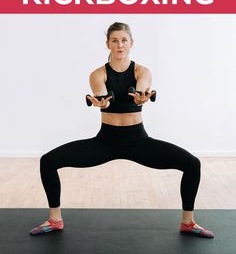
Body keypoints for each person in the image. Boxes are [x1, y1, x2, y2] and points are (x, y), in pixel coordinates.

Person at [30, 22, 214, 238]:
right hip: (105, 142)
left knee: (192, 164)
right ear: (107, 43)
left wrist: (142, 95)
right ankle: (55, 219)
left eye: (124, 40)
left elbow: (143, 86)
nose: (120, 45)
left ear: (131, 43)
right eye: (114, 40)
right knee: (48, 161)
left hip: (138, 142)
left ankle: (188, 222)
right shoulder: (98, 74)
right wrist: (102, 104)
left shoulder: (141, 71)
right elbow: (103, 97)